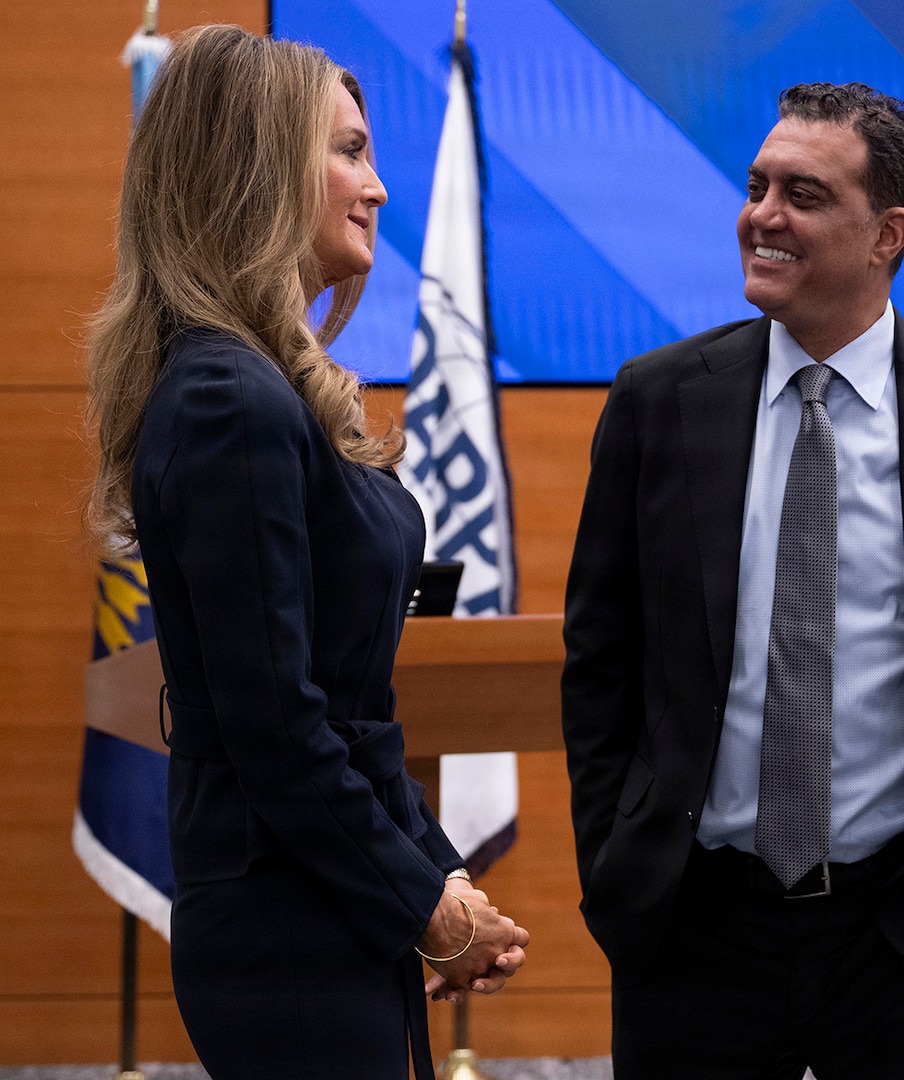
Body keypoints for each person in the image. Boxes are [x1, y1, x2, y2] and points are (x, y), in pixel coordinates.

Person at [561, 82, 904, 1078]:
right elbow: (600, 646)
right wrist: (612, 844)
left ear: (889, 233)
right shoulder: (658, 400)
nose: (763, 216)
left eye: (805, 195)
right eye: (757, 186)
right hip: (693, 924)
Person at [84, 26, 528, 1080]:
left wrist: (436, 879)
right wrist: (423, 900)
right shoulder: (225, 398)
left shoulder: (252, 386)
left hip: (327, 900)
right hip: (287, 927)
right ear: (260, 170)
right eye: (350, 150)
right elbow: (278, 724)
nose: (377, 186)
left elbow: (345, 709)